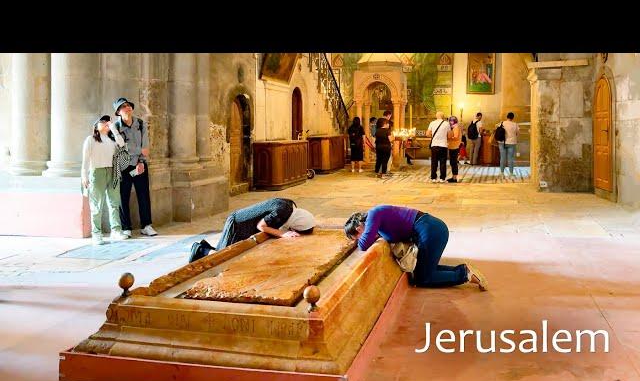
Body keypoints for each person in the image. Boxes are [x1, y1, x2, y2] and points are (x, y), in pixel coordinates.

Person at [344, 205, 487, 290]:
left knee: (423, 279)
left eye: (356, 237)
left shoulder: (374, 214)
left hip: (430, 230)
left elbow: (363, 245)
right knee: (424, 272)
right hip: (430, 230)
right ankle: (463, 270)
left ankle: (464, 275)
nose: (358, 240)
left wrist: (362, 240)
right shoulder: (376, 223)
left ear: (358, 228)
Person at [188, 198, 316, 263]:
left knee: (227, 253)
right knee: (224, 256)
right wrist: (283, 234)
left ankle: (204, 247)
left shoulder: (290, 207)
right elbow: (261, 226)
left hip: (244, 224)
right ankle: (200, 249)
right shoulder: (282, 212)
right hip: (238, 224)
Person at [112, 97, 157, 238]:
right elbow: (119, 149)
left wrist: (141, 161)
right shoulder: (115, 128)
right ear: (118, 112)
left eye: (128, 105)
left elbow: (145, 148)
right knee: (122, 197)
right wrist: (136, 151)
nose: (127, 108)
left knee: (143, 195)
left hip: (139, 165)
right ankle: (126, 228)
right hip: (124, 166)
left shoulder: (140, 124)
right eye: (123, 106)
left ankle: (146, 225)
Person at [81, 115, 130, 245]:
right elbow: (85, 160)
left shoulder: (111, 140)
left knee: (114, 202)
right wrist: (84, 176)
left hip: (112, 171)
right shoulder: (90, 140)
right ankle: (96, 234)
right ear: (96, 126)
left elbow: (122, 144)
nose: (105, 123)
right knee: (97, 205)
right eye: (102, 121)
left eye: (107, 121)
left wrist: (114, 129)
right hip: (97, 172)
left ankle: (116, 230)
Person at [426, 111, 451, 183]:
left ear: (436, 116)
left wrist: (434, 136)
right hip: (443, 145)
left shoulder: (432, 123)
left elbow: (427, 134)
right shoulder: (446, 124)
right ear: (443, 116)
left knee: (434, 162)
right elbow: (449, 135)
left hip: (434, 145)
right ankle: (442, 178)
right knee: (443, 162)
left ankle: (433, 178)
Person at [498, 112, 519, 179]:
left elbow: (497, 131)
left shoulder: (502, 123)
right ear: (513, 118)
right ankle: (511, 174)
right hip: (511, 143)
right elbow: (518, 133)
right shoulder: (515, 124)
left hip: (502, 142)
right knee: (510, 158)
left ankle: (502, 174)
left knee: (502, 158)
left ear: (507, 117)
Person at [446, 116, 462, 183]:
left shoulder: (456, 127)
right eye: (450, 121)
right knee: (452, 162)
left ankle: (454, 178)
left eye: (451, 121)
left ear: (454, 121)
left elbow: (455, 137)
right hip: (452, 146)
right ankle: (453, 177)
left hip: (454, 147)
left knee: (454, 162)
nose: (450, 122)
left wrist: (448, 137)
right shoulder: (454, 127)